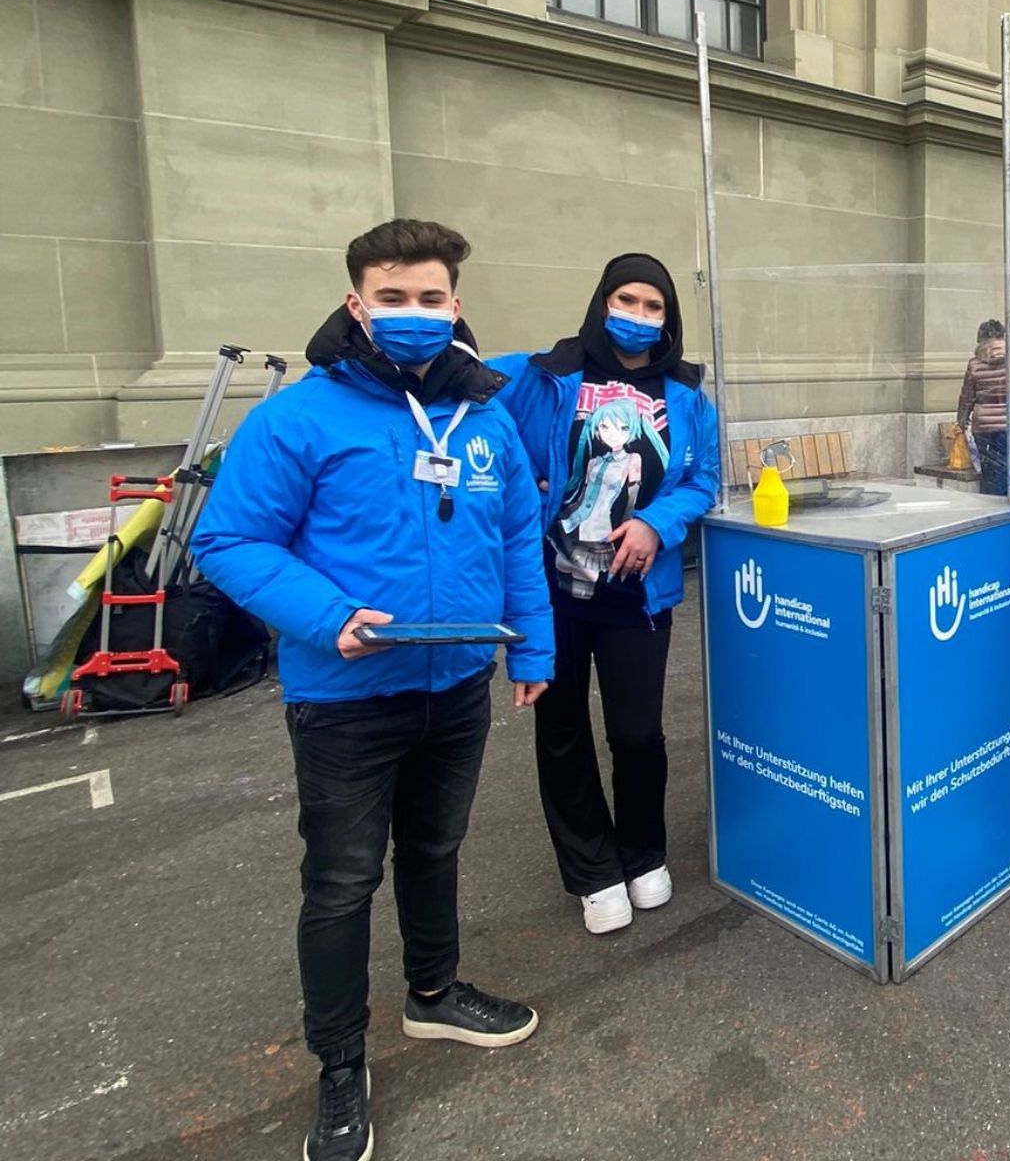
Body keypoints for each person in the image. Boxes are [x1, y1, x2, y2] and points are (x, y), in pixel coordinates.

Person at [191, 219, 553, 1161]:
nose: (414, 314)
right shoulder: (298, 418)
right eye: (393, 299)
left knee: (435, 848)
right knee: (343, 881)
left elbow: (518, 537)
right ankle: (341, 1064)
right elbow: (228, 542)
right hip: (347, 696)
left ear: (457, 306)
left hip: (458, 680)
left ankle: (433, 996)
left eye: (431, 298)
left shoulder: (489, 416)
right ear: (357, 304)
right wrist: (325, 614)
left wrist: (534, 653)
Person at [488, 254, 722, 935]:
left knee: (638, 732)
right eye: (627, 299)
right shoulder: (548, 372)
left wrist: (657, 523)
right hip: (553, 589)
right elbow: (463, 388)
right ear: (601, 301)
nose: (640, 316)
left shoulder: (686, 394)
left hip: (636, 595)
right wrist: (514, 481)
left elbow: (702, 480)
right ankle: (592, 869)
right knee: (561, 732)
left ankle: (644, 850)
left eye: (655, 307)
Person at [956, 319, 1010, 495]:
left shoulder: (974, 364)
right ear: (1003, 336)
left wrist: (961, 421)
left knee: (988, 470)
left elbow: (967, 396)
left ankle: (991, 504)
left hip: (983, 426)